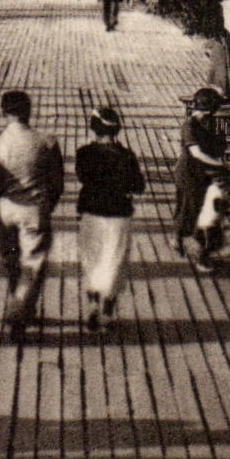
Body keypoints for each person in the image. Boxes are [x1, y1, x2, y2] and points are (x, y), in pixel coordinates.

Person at [0, 90, 65, 341]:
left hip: (6, 208)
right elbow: (57, 182)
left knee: (11, 260)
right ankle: (20, 315)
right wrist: (47, 205)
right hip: (34, 209)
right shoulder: (47, 141)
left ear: (3, 112)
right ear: (28, 111)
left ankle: (21, 304)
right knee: (32, 265)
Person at [75, 107, 145, 332]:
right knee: (114, 261)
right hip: (118, 215)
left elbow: (81, 176)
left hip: (91, 212)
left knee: (93, 261)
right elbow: (138, 186)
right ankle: (108, 309)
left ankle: (93, 303)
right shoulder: (127, 156)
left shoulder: (84, 153)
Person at [174, 87, 228, 270]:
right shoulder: (189, 126)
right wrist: (219, 164)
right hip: (189, 173)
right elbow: (196, 153)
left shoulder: (205, 124)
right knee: (194, 213)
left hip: (200, 174)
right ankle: (199, 257)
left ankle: (181, 241)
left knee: (193, 210)